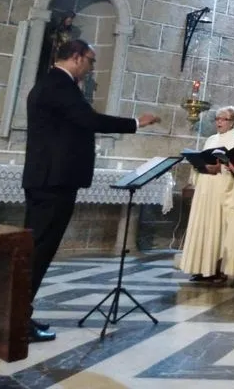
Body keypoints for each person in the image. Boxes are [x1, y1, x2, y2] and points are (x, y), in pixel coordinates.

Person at [23, 39, 159, 342]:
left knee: (36, 250)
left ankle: (18, 314)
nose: (92, 66)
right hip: (53, 182)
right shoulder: (59, 85)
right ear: (76, 57)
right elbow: (89, 120)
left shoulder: (53, 83)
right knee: (38, 252)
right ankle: (17, 319)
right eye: (90, 60)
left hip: (49, 179)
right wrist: (136, 123)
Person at [179, 106, 234, 283]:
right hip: (205, 188)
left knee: (216, 228)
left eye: (223, 119)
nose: (219, 122)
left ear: (232, 122)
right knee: (202, 227)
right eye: (217, 119)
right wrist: (199, 166)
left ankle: (216, 268)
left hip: (221, 189)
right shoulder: (211, 139)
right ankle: (200, 268)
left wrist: (221, 168)